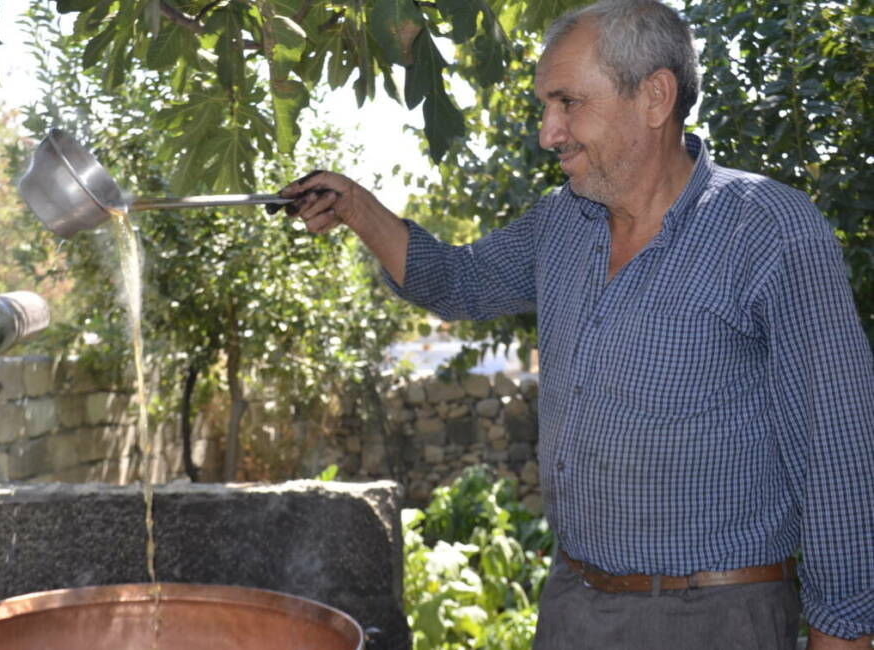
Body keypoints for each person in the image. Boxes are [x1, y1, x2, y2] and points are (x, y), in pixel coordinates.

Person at [279, 0, 874, 648]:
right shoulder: (561, 222)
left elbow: (839, 453)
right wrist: (357, 208)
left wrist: (841, 632)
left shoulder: (767, 229)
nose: (548, 132)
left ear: (655, 96)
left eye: (567, 103)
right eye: (546, 106)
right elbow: (458, 281)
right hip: (572, 608)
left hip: (715, 619)